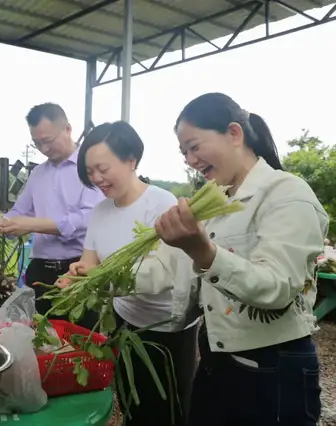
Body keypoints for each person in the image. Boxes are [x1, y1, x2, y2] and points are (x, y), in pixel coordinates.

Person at [135, 93, 327, 426]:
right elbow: (171, 269)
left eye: (195, 147)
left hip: (274, 366)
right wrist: (107, 277)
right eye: (184, 153)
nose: (191, 160)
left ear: (235, 134)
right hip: (216, 360)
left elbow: (276, 286)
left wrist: (203, 252)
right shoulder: (216, 202)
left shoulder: (287, 192)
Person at [59, 121, 198, 425]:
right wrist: (76, 275)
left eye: (103, 169)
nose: (96, 178)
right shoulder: (101, 211)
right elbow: (90, 261)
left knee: (167, 409)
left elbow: (161, 273)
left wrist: (98, 278)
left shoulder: (161, 204)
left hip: (166, 330)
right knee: (131, 401)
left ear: (131, 160)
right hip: (124, 321)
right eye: (90, 172)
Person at [0, 103, 104, 329]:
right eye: (37, 143)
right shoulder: (38, 174)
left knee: (80, 339)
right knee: (44, 339)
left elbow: (88, 219)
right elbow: (20, 212)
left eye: (48, 141)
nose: (43, 148)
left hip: (78, 268)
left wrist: (34, 225)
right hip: (40, 270)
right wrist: (2, 223)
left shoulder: (89, 168)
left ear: (67, 129)